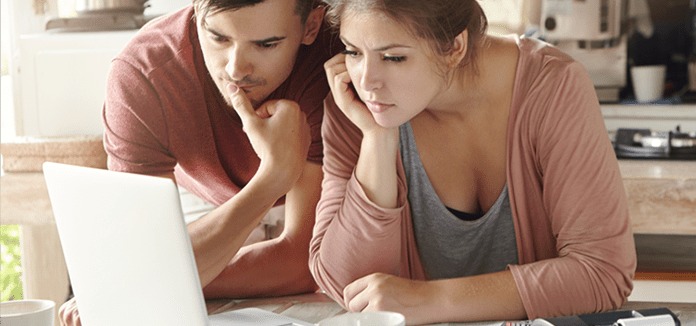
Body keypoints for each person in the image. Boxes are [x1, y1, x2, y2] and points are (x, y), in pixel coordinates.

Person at [309, 0, 637, 324]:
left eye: (394, 57)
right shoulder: (354, 108)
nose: (366, 81)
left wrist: (430, 299)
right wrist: (377, 140)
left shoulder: (551, 86)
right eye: (353, 51)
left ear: (454, 46)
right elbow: (347, 288)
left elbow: (602, 272)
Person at [59, 0, 341, 324]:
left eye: (266, 45)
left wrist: (150, 282)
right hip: (199, 196)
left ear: (311, 26)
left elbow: (300, 262)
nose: (236, 69)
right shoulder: (142, 73)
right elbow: (141, 257)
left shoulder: (332, 60)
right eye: (218, 37)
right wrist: (274, 177)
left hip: (307, 200)